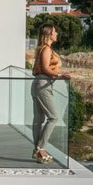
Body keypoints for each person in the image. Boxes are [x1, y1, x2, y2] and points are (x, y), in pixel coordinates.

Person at [31, 23, 69, 163]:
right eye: (55, 31)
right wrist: (60, 75)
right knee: (53, 118)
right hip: (43, 85)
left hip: (38, 84)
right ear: (49, 34)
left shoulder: (42, 49)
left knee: (38, 121)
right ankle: (41, 148)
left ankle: (37, 151)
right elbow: (46, 69)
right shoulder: (46, 49)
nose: (57, 33)